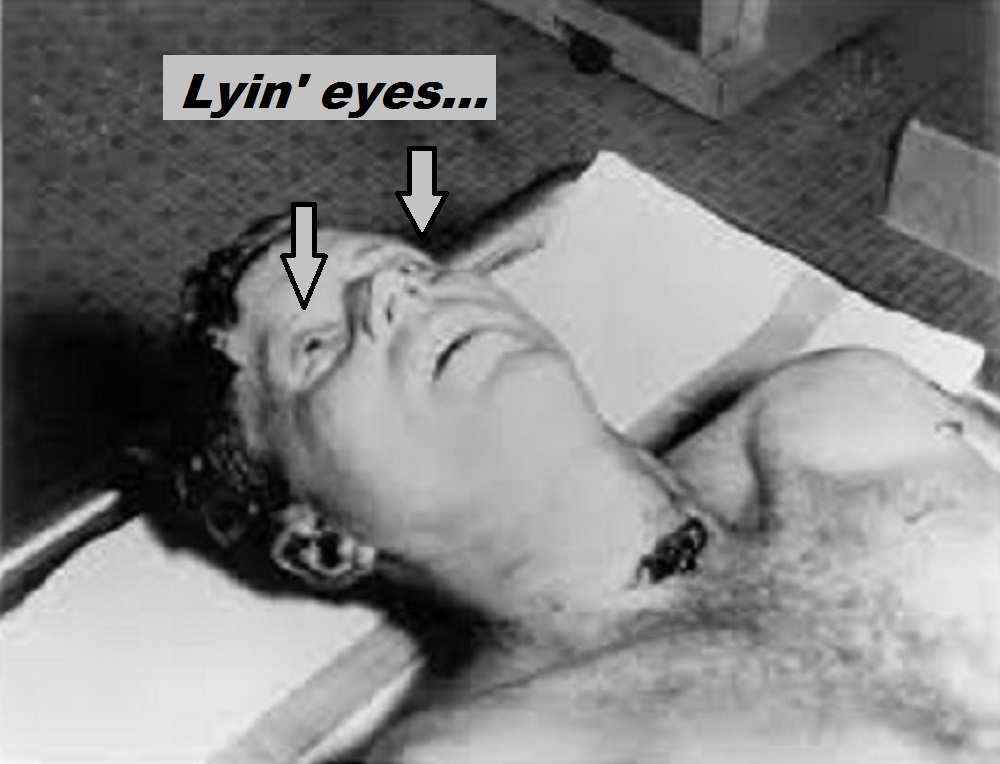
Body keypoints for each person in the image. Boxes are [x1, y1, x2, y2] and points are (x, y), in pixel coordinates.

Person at [173, 212, 1000, 762]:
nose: (393, 296)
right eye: (316, 346)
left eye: (407, 268)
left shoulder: (845, 411)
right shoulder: (495, 753)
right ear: (322, 544)